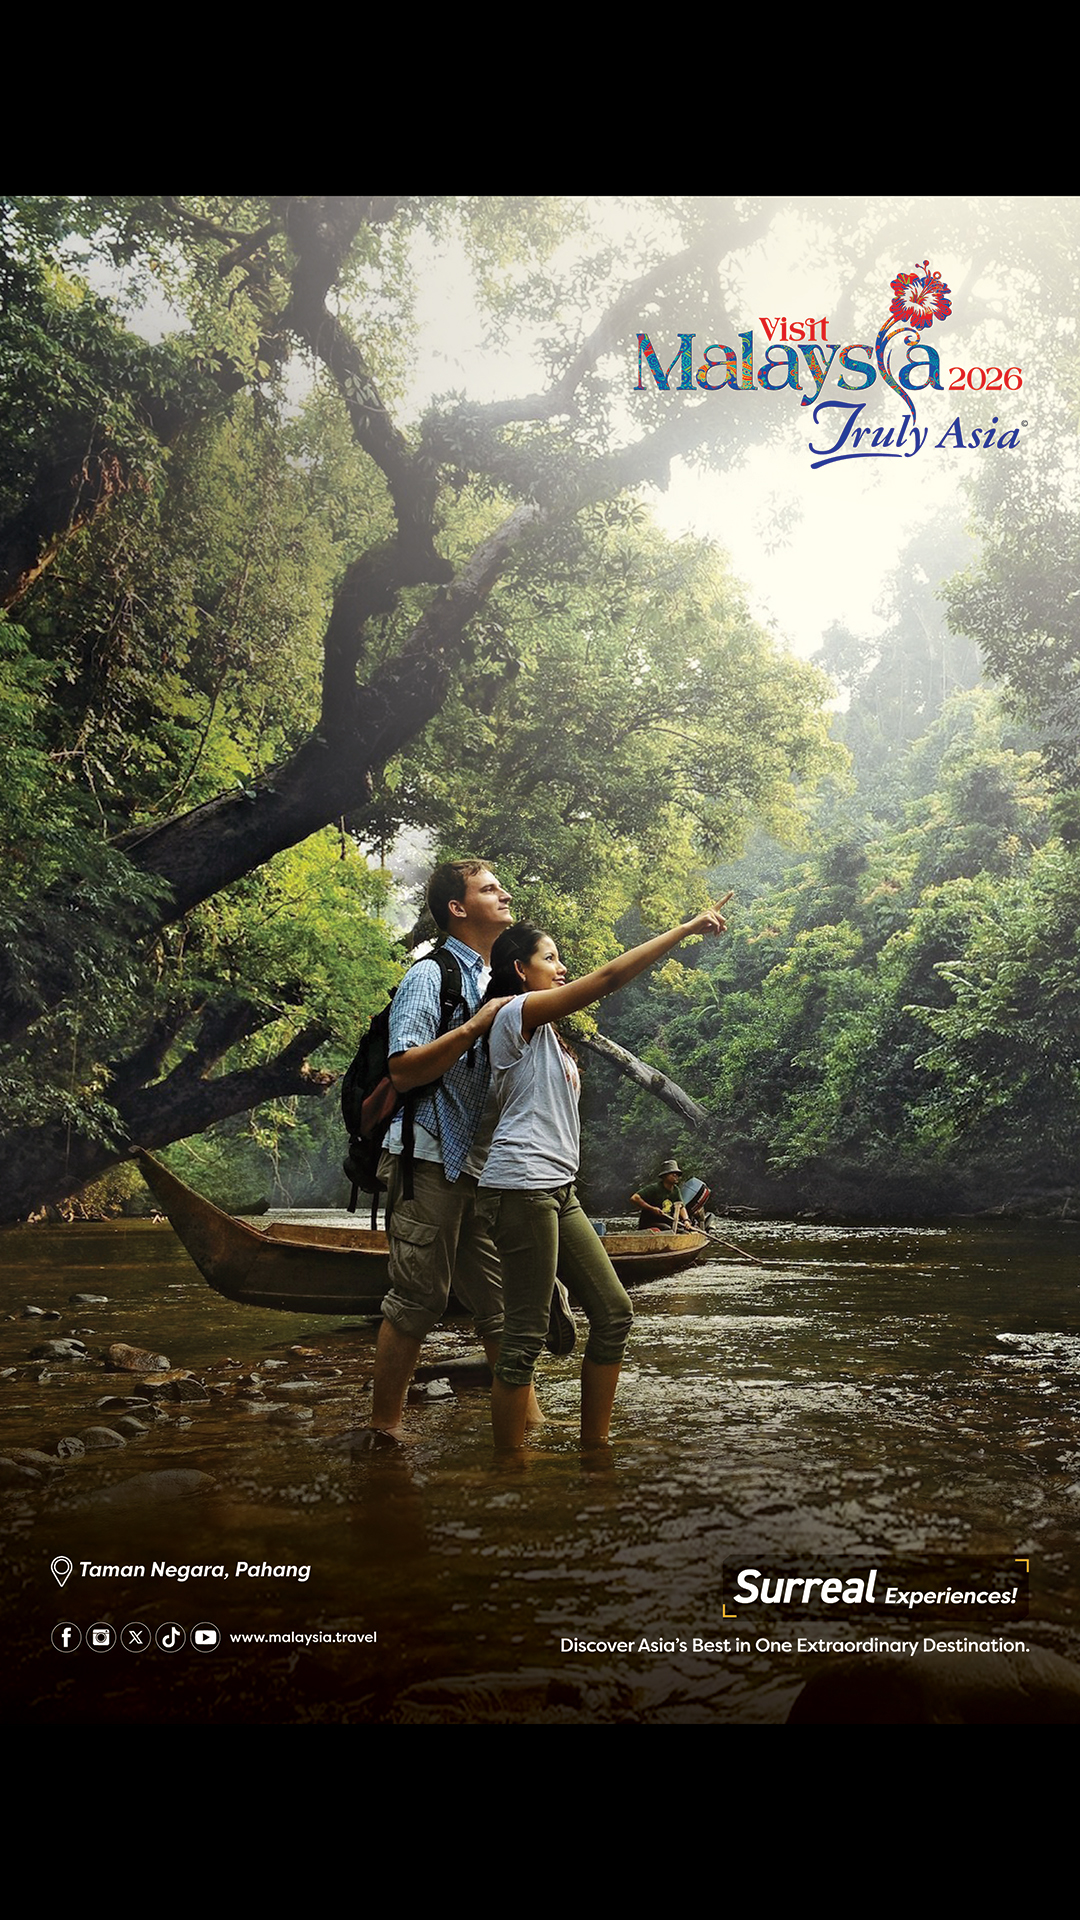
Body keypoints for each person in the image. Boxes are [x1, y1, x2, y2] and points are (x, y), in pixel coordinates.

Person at [478, 898, 729, 1450]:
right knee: (524, 1338)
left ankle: (596, 1451)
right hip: (520, 1187)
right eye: (550, 958)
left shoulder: (549, 1034)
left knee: (614, 1313)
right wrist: (686, 927)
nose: (561, 966)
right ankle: (508, 1472)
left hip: (557, 1189)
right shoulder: (515, 1014)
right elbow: (609, 978)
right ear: (520, 969)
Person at [360, 858, 542, 1446]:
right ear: (458, 908)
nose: (504, 893)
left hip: (476, 1164)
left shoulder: (496, 976)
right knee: (418, 1299)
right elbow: (403, 1069)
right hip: (427, 1154)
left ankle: (531, 1426)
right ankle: (385, 1430)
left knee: (498, 1302)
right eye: (490, 889)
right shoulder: (430, 974)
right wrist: (472, 1027)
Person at [631, 1159, 689, 1232]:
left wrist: (686, 1220)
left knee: (683, 1231)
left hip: (667, 1223)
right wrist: (652, 1209)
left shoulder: (676, 1190)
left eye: (677, 1174)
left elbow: (681, 1207)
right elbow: (634, 1198)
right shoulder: (654, 1188)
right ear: (664, 1176)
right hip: (650, 1223)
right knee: (666, 1229)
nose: (675, 1176)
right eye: (672, 1174)